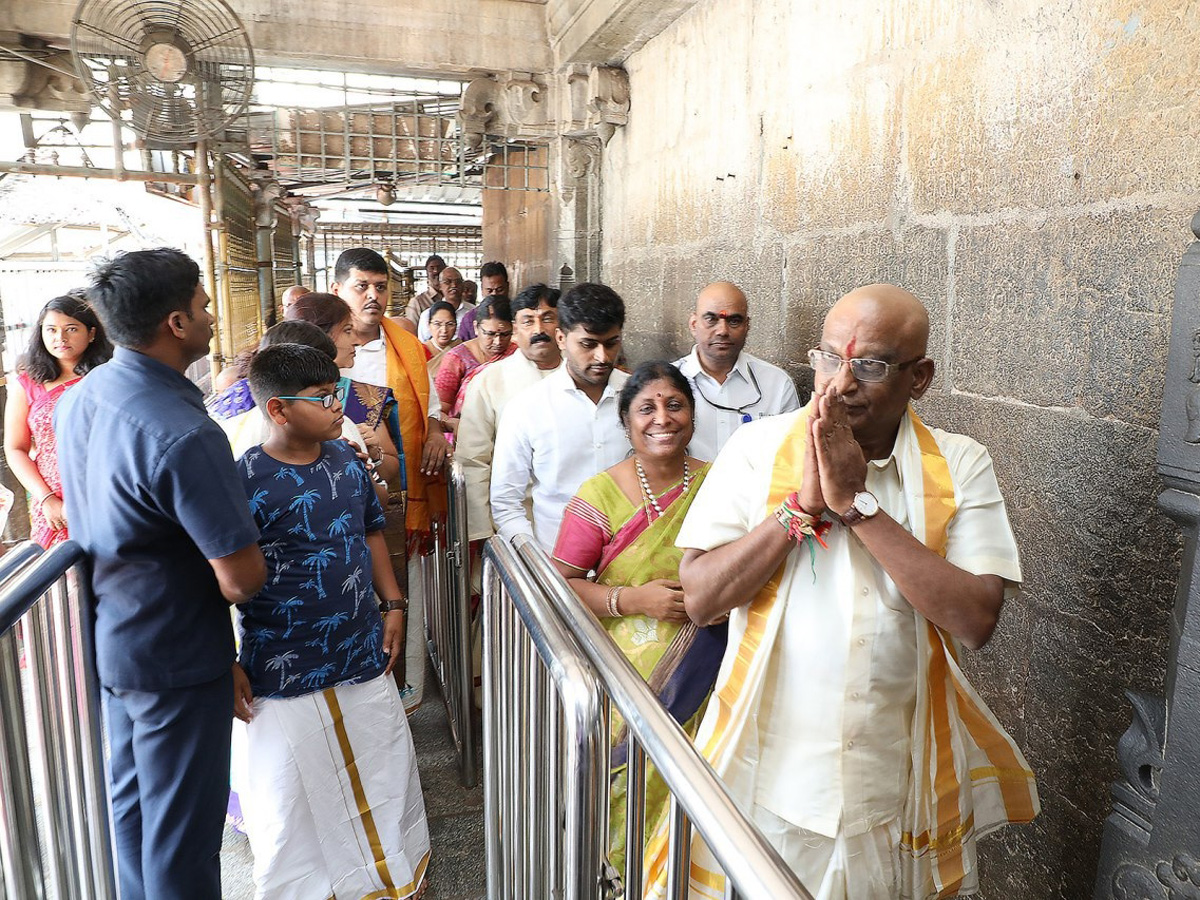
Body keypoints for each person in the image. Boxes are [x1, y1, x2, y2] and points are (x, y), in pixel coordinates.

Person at [644, 284, 1038, 900]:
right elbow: (701, 598)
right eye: (829, 358)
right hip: (765, 779)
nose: (841, 382)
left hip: (895, 784)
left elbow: (975, 617)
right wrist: (798, 508)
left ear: (921, 377)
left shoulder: (960, 463)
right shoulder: (757, 448)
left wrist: (858, 506)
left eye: (871, 364)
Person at [55, 248, 266, 899]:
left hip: (118, 642)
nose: (209, 317)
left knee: (138, 821)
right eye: (203, 306)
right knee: (183, 842)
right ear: (176, 322)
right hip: (177, 656)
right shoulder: (184, 432)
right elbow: (241, 579)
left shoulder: (82, 397)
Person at [233, 343, 430, 898]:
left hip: (358, 643)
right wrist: (225, 661)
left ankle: (392, 874)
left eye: (337, 391)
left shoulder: (345, 459)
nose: (339, 405)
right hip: (282, 659)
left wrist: (392, 605)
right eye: (323, 398)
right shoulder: (243, 478)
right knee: (291, 790)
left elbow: (370, 531)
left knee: (381, 762)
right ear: (278, 410)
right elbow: (218, 573)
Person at [552, 361, 725, 875]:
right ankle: (623, 873)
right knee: (629, 787)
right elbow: (560, 585)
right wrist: (632, 601)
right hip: (625, 676)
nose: (662, 419)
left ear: (693, 417)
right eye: (646, 408)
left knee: (704, 793)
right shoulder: (599, 494)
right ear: (626, 421)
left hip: (712, 665)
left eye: (675, 405)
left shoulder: (721, 485)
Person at [333, 247, 452, 711]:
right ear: (338, 290)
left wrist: (437, 431)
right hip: (336, 504)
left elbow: (430, 408)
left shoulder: (403, 342)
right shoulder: (320, 359)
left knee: (399, 596)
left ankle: (401, 693)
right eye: (362, 286)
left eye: (381, 287)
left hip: (398, 498)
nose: (373, 296)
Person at [491, 282, 629, 551]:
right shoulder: (527, 408)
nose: (602, 356)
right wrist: (536, 561)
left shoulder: (639, 399)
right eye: (588, 345)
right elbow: (506, 502)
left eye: (611, 343)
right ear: (561, 339)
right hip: (556, 566)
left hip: (636, 563)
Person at [4, 294, 112, 547]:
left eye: (71, 329)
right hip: (54, 503)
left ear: (92, 333)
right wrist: (47, 499)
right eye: (51, 330)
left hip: (107, 494)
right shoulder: (28, 383)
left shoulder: (109, 376)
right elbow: (15, 448)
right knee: (61, 574)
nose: (60, 338)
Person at [458, 284, 560, 542]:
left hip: (577, 520)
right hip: (512, 524)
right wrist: (481, 532)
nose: (539, 330)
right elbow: (473, 460)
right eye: (528, 321)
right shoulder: (489, 381)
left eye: (548, 319)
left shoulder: (583, 378)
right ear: (515, 330)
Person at [286, 292, 402, 488]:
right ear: (320, 336)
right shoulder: (264, 393)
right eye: (348, 330)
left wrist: (373, 453)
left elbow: (390, 472)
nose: (356, 340)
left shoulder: (362, 395)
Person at [674, 281, 800, 460]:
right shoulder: (667, 383)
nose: (722, 331)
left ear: (747, 326)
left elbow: (791, 457)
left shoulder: (777, 384)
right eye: (711, 319)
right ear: (694, 324)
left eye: (734, 321)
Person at [434, 294, 516, 423]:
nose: (497, 341)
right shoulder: (456, 358)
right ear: (475, 327)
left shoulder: (517, 354)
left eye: (505, 334)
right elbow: (439, 410)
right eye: (490, 334)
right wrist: (456, 425)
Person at [456, 260, 509, 341]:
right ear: (482, 289)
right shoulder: (470, 319)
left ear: (507, 286)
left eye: (499, 290)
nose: (494, 294)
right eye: (489, 290)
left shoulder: (517, 314)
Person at [417, 267, 473, 342]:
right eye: (448, 282)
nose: (454, 286)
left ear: (463, 285)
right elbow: (423, 345)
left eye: (458, 282)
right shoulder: (427, 315)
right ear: (440, 286)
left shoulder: (473, 312)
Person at [403, 254, 445, 328]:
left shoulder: (452, 299)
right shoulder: (417, 302)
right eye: (432, 268)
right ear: (427, 273)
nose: (436, 271)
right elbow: (411, 332)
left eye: (439, 268)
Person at [423, 300, 462, 377]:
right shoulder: (420, 351)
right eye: (437, 324)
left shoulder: (461, 349)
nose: (444, 330)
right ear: (429, 325)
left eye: (450, 324)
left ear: (456, 325)